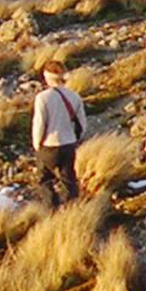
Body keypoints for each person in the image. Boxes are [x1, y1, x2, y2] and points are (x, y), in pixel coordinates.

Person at [30, 60, 88, 205]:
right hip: (68, 144)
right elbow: (82, 124)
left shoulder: (42, 98)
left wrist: (37, 145)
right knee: (69, 180)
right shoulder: (75, 96)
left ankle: (51, 209)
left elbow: (39, 124)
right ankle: (70, 208)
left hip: (48, 145)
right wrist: (76, 139)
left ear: (46, 77)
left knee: (45, 180)